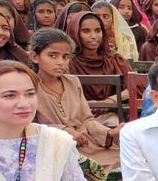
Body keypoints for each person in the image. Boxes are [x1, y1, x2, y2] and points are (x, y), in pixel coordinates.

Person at [29, 28, 118, 161]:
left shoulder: (72, 82)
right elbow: (29, 126)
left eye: (65, 57)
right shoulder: (29, 86)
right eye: (52, 55)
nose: (60, 62)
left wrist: (108, 133)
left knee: (124, 159)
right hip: (53, 150)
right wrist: (65, 131)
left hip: (86, 144)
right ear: (35, 57)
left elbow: (87, 119)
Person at [65, 9, 133, 103]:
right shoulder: (68, 63)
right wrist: (86, 105)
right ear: (75, 33)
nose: (93, 36)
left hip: (112, 113)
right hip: (77, 114)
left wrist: (110, 101)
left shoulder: (115, 60)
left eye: (98, 31)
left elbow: (132, 88)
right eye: (86, 31)